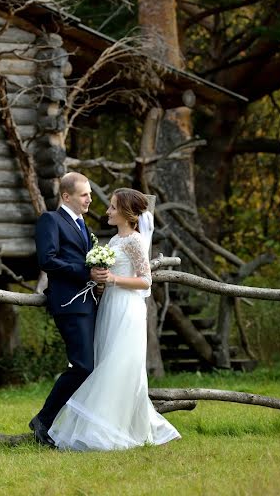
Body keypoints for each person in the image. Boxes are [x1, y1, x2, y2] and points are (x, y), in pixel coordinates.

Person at [47, 188, 181, 451]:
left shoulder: (134, 241)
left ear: (126, 212)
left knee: (117, 365)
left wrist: (114, 279)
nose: (107, 211)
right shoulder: (114, 241)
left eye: (112, 207)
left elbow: (145, 280)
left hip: (127, 308)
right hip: (109, 306)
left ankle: (106, 429)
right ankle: (103, 425)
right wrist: (99, 282)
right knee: (104, 360)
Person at [29, 172, 107, 447]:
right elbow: (47, 260)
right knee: (83, 365)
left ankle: (78, 426)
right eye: (84, 194)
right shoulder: (51, 220)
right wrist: (86, 273)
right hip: (69, 303)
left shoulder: (83, 224)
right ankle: (43, 420)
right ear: (66, 196)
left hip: (89, 302)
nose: (89, 199)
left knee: (94, 365)